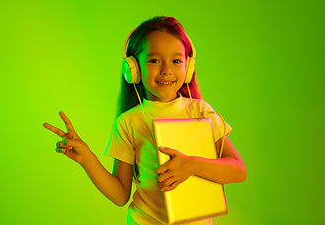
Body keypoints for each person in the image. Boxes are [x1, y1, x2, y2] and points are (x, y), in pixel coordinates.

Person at [43, 16, 247, 225]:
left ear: (189, 67)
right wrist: (87, 158)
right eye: (154, 60)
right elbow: (120, 195)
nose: (166, 70)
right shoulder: (129, 121)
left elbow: (238, 170)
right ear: (133, 69)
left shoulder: (201, 112)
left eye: (176, 61)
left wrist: (192, 166)